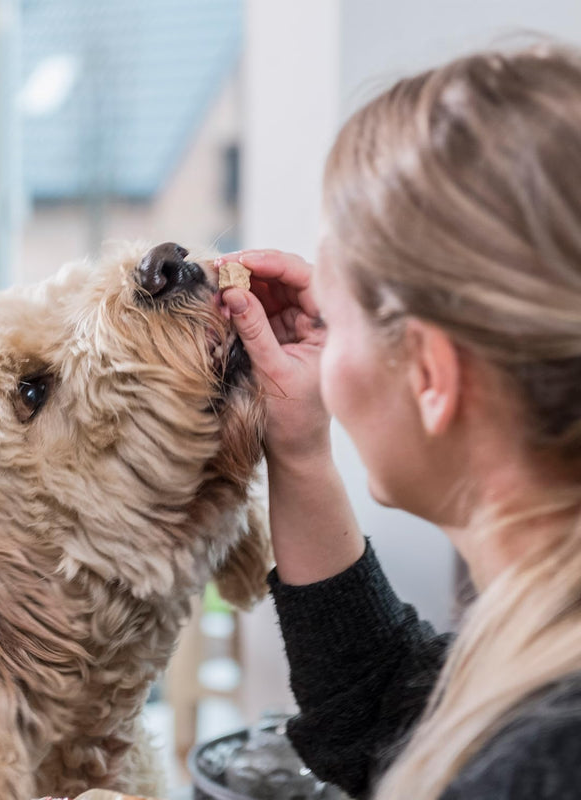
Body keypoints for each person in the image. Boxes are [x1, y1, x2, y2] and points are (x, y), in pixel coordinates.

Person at [216, 42, 581, 800]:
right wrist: (301, 447)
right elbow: (391, 711)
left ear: (431, 375)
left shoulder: (538, 768)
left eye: (338, 316)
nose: (321, 335)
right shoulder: (541, 656)